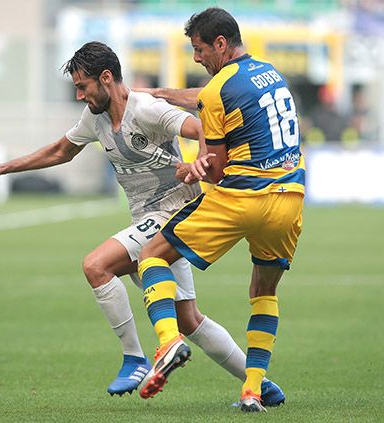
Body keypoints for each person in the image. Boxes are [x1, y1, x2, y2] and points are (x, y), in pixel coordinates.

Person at [0, 41, 285, 403]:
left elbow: (200, 127)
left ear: (106, 78)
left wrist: (201, 162)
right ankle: (260, 386)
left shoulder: (146, 109)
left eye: (82, 86)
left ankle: (134, 357)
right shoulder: (95, 119)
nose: (79, 94)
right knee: (188, 320)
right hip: (146, 216)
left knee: (96, 266)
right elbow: (60, 151)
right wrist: (3, 167)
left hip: (174, 212)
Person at [135, 8, 305, 413]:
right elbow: (211, 97)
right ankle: (252, 390)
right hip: (290, 197)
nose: (196, 58)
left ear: (220, 45)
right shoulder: (267, 72)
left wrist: (189, 170)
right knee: (263, 292)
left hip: (243, 197)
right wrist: (161, 95)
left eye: (198, 49)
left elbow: (215, 168)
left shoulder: (215, 92)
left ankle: (168, 341)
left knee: (151, 255)